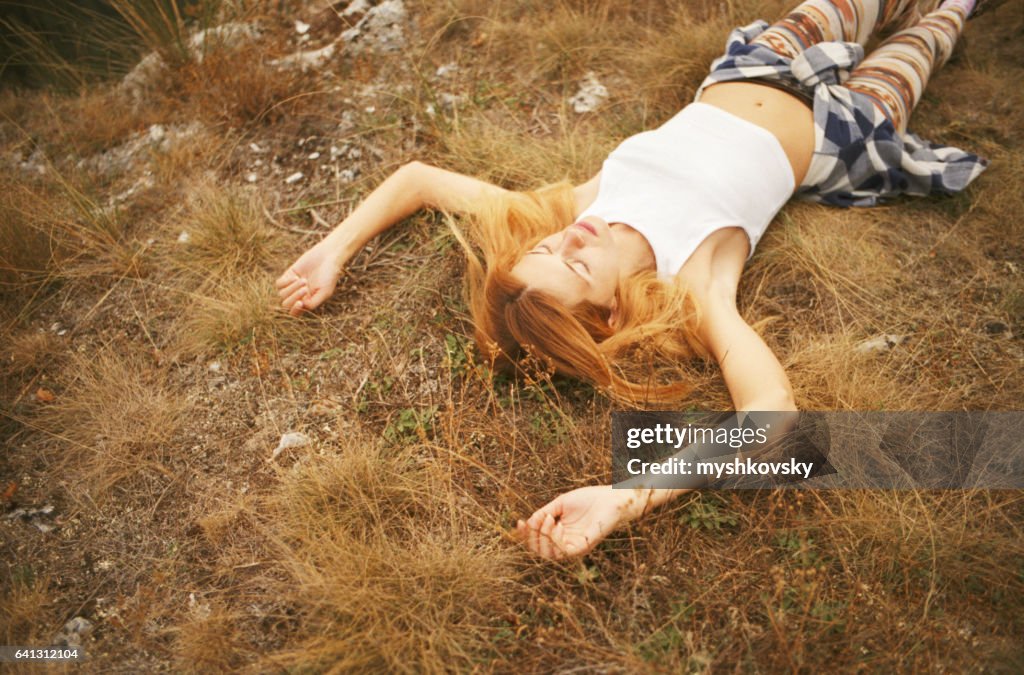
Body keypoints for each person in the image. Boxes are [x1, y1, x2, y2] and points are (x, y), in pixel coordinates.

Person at [276, 0, 998, 560]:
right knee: (931, 32)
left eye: (549, 246)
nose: (571, 239)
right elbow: (772, 414)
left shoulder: (577, 207)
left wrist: (334, 250)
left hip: (757, 65)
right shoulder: (694, 282)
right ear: (612, 314)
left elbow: (420, 179)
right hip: (844, 130)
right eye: (577, 265)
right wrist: (627, 495)